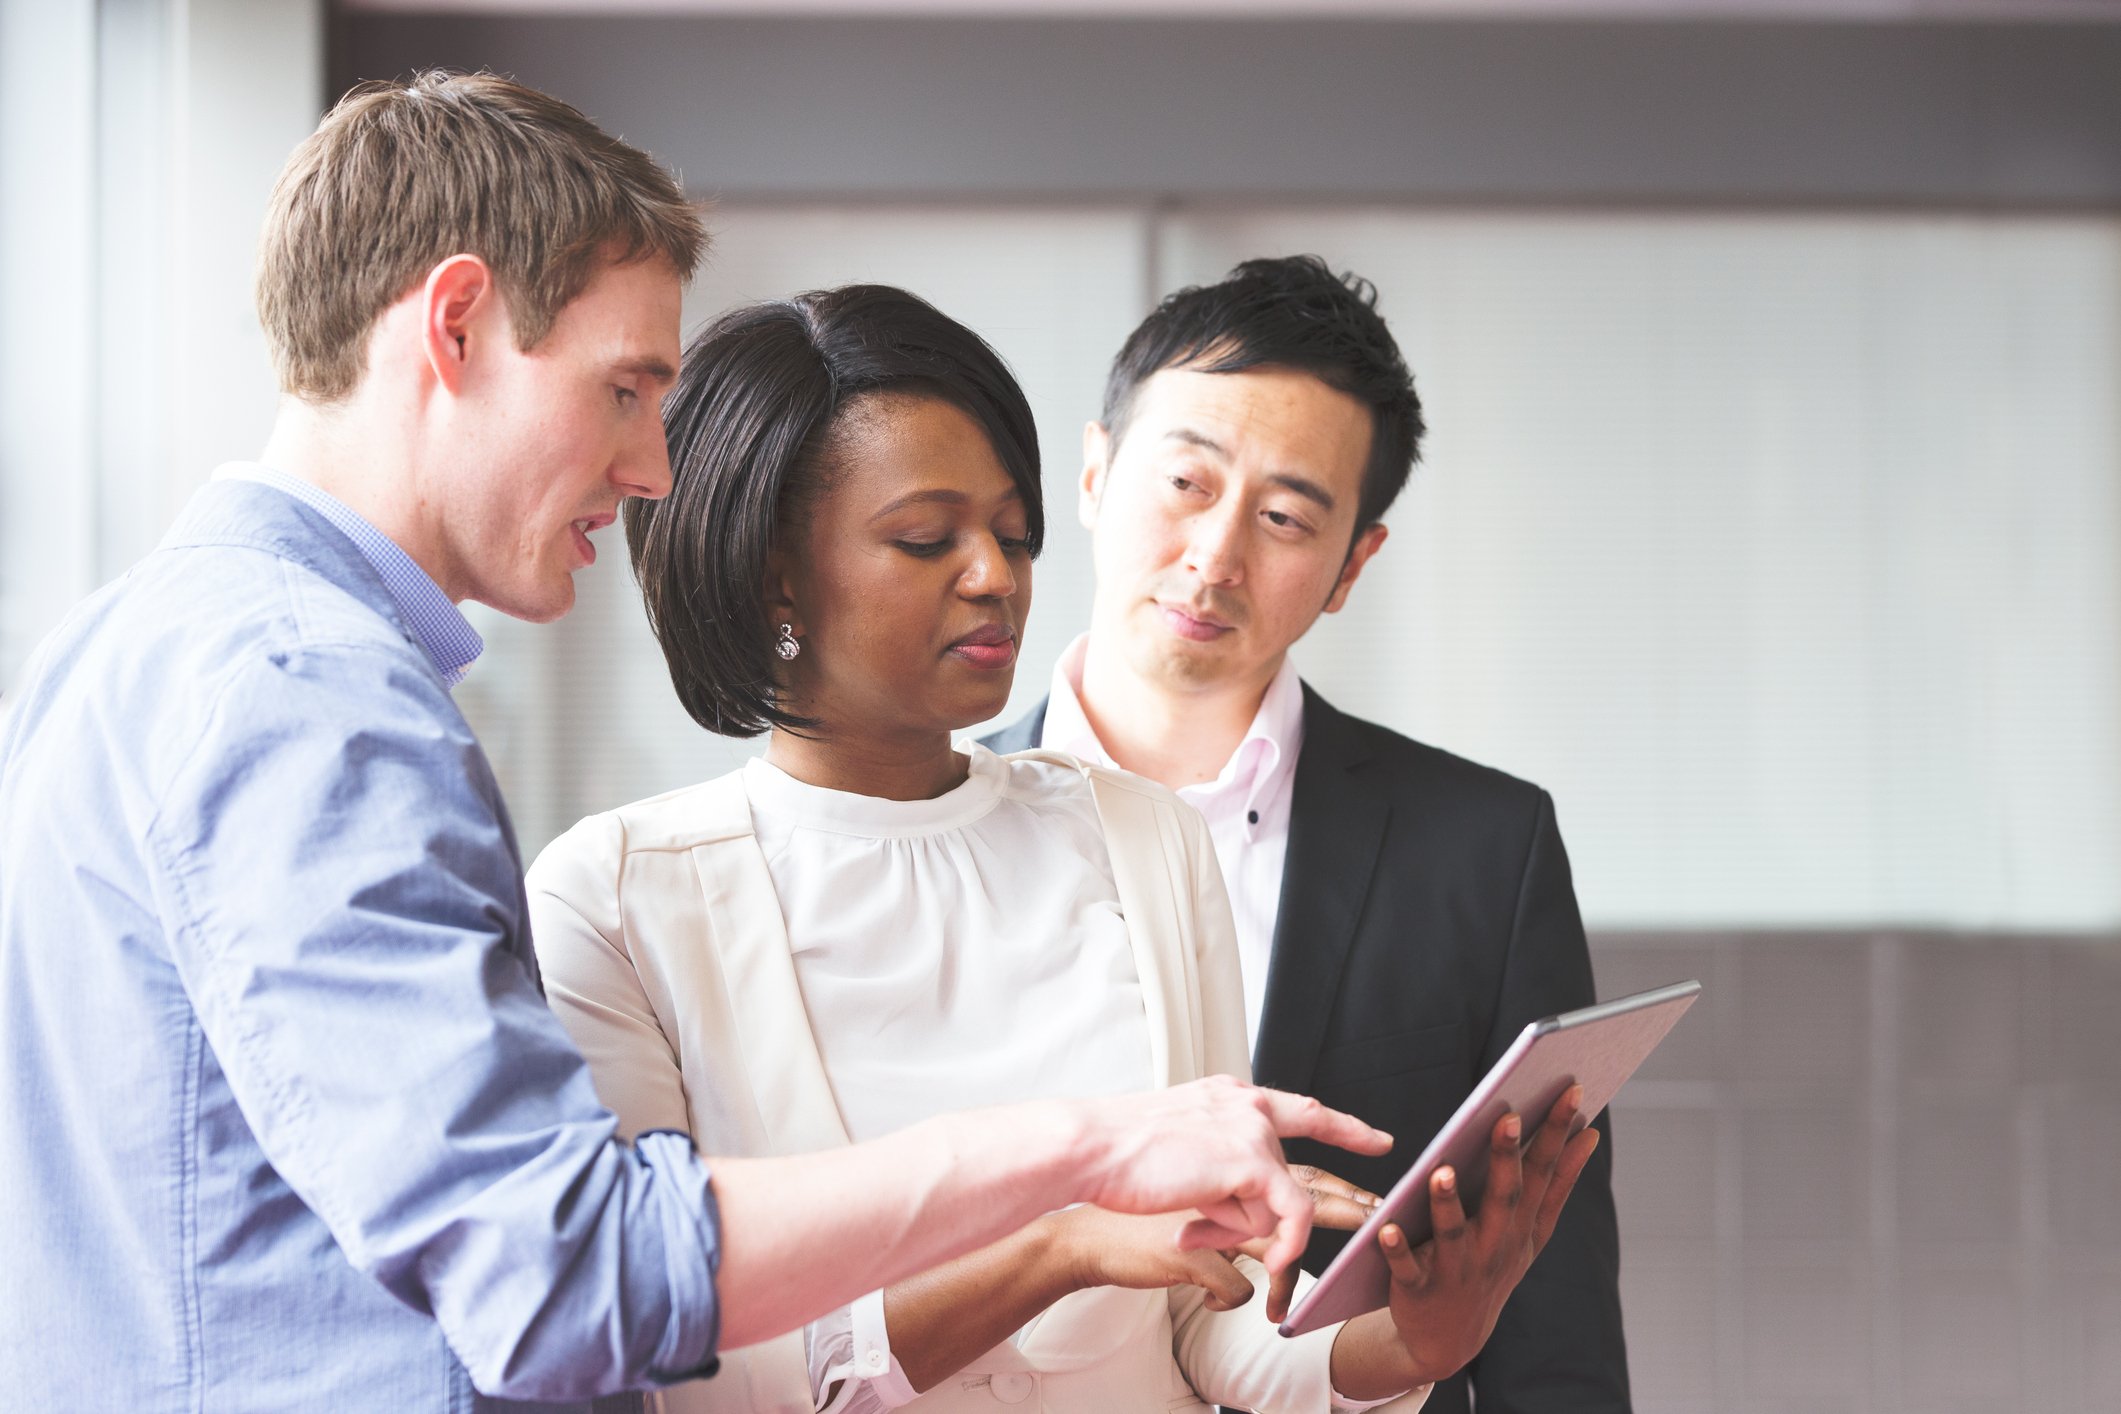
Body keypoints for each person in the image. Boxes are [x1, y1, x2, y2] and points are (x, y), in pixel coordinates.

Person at [0, 79, 1396, 1413]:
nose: (655, 467)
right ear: (458, 325)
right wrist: (1086, 1153)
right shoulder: (309, 692)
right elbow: (562, 1266)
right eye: (624, 390)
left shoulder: (136, 647)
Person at [527, 283, 1600, 1414]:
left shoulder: (1142, 839)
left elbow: (1211, 1322)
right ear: (772, 573)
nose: (996, 575)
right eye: (926, 539)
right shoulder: (617, 900)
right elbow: (689, 1372)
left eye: (1011, 530)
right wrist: (1060, 1246)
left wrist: (1404, 1345)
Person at [983, 255, 1632, 1414]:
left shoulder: (1484, 851)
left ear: (1351, 566)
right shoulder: (937, 821)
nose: (1217, 555)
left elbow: (1557, 1336)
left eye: (1285, 517)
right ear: (1091, 472)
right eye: (1187, 479)